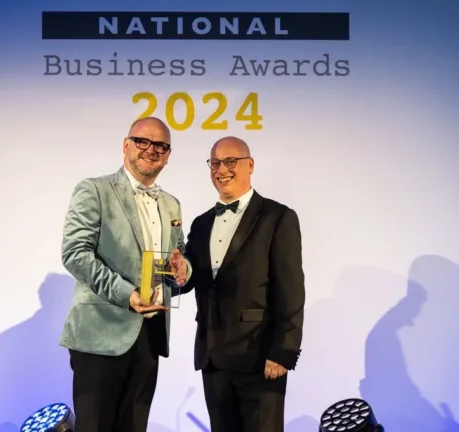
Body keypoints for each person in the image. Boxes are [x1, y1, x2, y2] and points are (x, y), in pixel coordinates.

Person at [59, 117, 191, 432]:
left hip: (150, 336)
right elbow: (75, 253)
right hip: (100, 336)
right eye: (142, 141)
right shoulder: (94, 190)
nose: (151, 150)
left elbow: (178, 255)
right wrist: (127, 294)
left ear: (168, 155)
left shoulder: (171, 204)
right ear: (126, 145)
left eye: (160, 145)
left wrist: (183, 269)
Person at [180, 136, 305, 432]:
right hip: (213, 357)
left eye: (230, 161)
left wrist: (283, 351)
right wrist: (178, 273)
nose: (221, 169)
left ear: (250, 165)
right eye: (215, 163)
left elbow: (290, 290)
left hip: (260, 356)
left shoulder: (278, 217)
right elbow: (189, 279)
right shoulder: (200, 223)